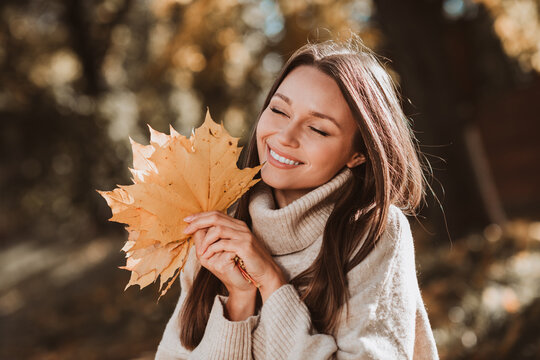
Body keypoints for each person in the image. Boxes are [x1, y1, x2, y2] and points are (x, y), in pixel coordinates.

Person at [155, 37, 439, 359]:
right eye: (279, 110)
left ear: (358, 154)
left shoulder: (373, 231)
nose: (285, 137)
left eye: (318, 129)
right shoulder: (218, 230)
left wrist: (272, 283)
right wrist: (239, 299)